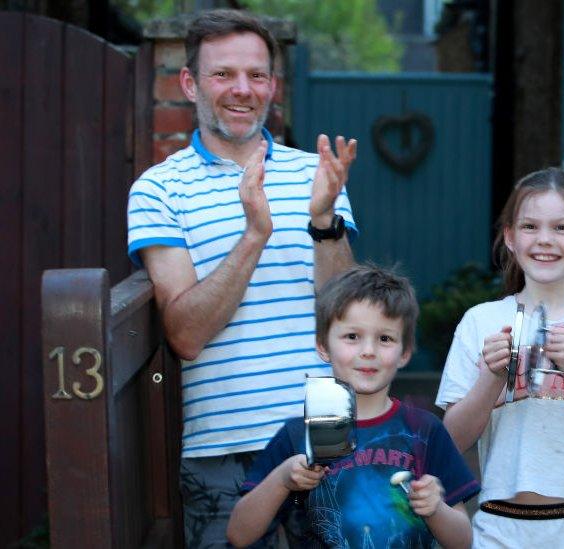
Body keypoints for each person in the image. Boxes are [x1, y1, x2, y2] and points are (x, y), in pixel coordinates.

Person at [125, 9, 359, 546]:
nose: (242, 89)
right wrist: (254, 235)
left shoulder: (315, 173)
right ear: (190, 83)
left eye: (256, 75)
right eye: (223, 74)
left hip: (322, 435)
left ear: (273, 86)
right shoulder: (159, 190)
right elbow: (185, 334)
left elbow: (345, 312)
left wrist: (323, 221)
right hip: (221, 455)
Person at [436, 168, 564, 548]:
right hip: (499, 529)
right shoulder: (480, 322)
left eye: (562, 228)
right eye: (530, 227)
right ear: (511, 238)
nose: (544, 240)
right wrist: (491, 378)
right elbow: (452, 439)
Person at [227, 265, 480, 548]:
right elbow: (239, 535)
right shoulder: (297, 435)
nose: (368, 351)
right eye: (352, 337)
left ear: (405, 352)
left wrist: (436, 509)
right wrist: (282, 478)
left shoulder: (425, 430)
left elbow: (463, 541)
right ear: (323, 345)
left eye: (385, 338)